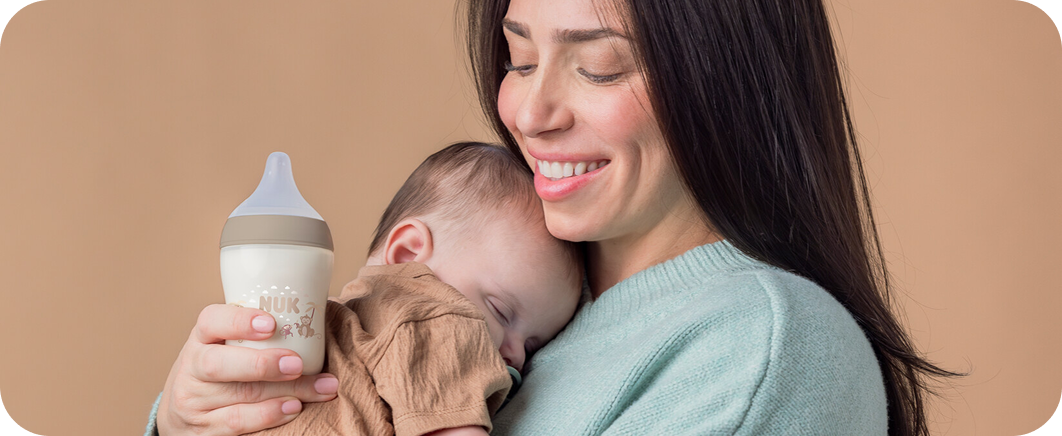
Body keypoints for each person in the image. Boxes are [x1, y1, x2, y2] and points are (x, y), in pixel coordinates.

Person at [153, 0, 958, 435]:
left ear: (724, 82)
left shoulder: (762, 348)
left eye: (599, 66)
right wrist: (194, 420)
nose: (529, 112)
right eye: (520, 57)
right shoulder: (502, 283)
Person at [155, 141, 582, 436]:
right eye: (502, 312)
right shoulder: (436, 316)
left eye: (533, 343)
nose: (516, 355)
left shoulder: (325, 329)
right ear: (409, 254)